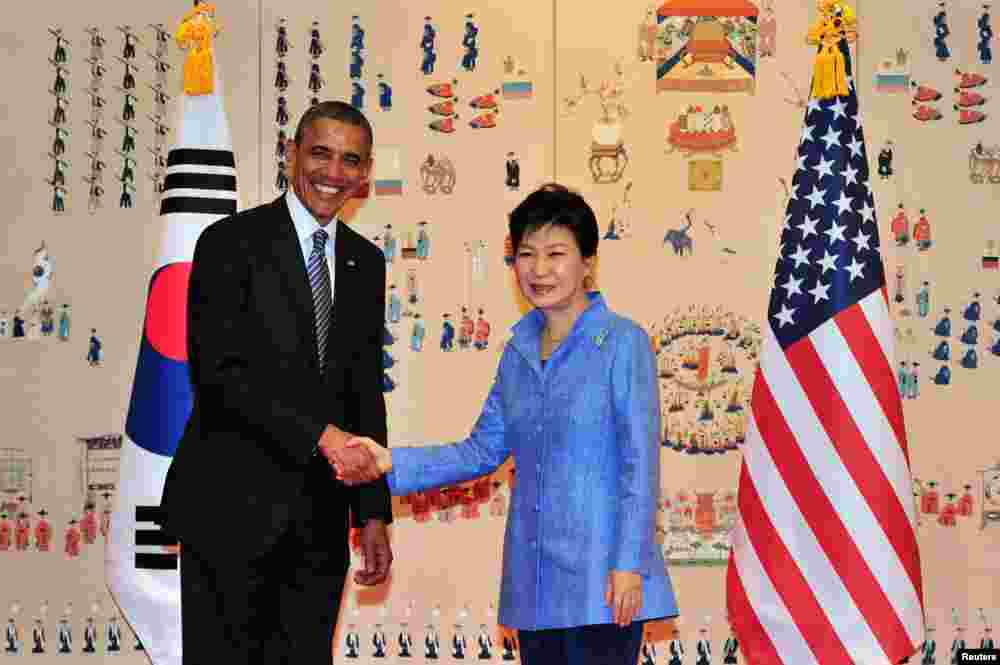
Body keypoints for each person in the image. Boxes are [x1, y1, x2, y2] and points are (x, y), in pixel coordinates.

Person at [339, 184, 679, 665]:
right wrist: (389, 461)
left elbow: (639, 465)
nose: (540, 269)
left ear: (588, 263)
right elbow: (481, 451)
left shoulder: (623, 343)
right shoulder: (518, 351)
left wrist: (629, 565)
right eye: (527, 254)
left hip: (603, 581)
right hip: (534, 582)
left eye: (556, 253)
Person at [159, 100, 393, 665]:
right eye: (320, 153)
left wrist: (373, 512)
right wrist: (321, 434)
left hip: (317, 524)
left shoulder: (366, 262)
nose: (333, 173)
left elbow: (363, 390)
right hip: (228, 511)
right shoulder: (229, 243)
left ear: (364, 174)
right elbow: (220, 375)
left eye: (350, 161)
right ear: (292, 155)